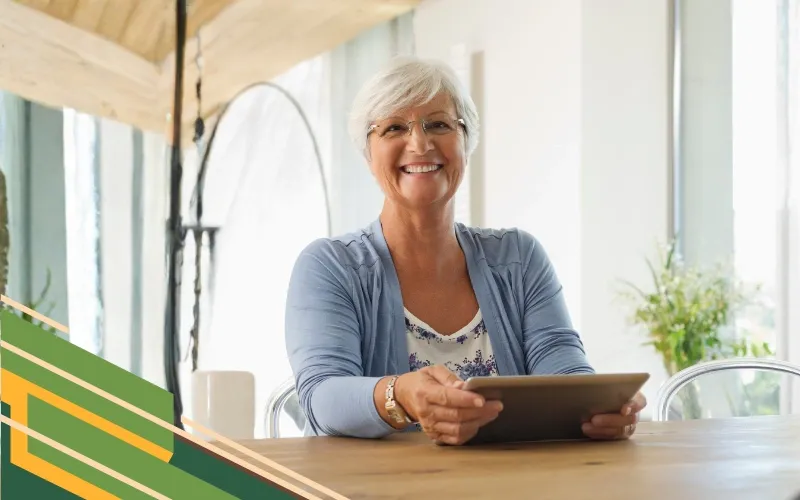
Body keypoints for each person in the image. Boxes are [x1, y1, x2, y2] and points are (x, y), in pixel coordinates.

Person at [285, 56, 646, 445]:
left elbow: (561, 363)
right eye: (394, 128)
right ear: (369, 154)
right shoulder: (329, 266)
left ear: (466, 141)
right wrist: (401, 394)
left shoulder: (519, 258)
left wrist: (598, 406)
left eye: (438, 124)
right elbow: (321, 397)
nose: (420, 143)